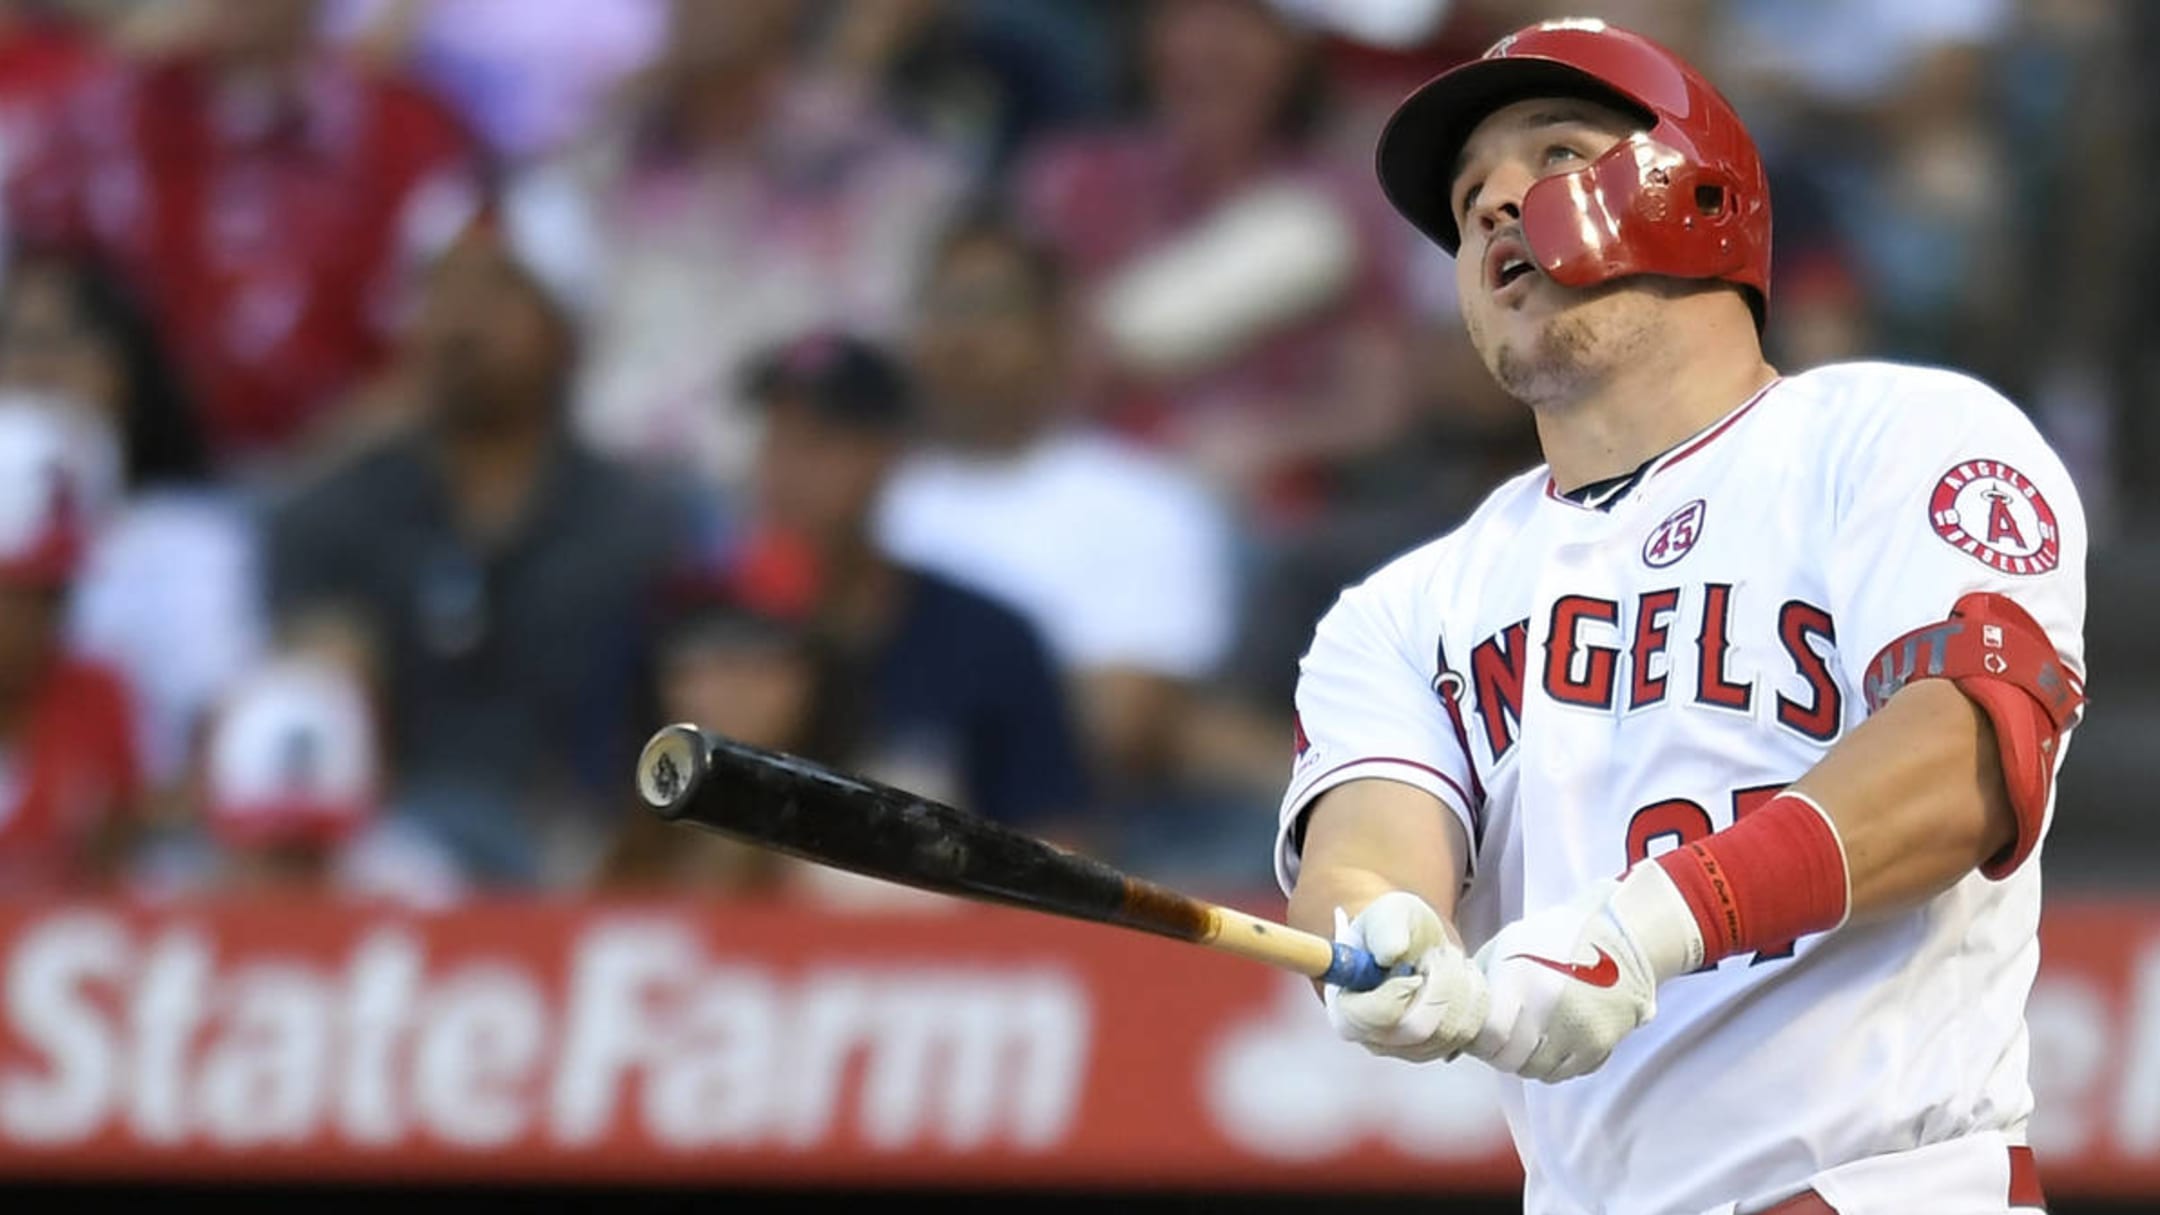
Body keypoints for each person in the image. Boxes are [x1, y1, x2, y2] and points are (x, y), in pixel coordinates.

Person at [1277, 19, 2081, 1214]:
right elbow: (1365, 847)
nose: (1498, 206)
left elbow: (1968, 764)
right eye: (1468, 199)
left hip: (1883, 1188)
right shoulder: (1404, 609)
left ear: (1700, 187)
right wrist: (1383, 935)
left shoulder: (1895, 437)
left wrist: (1648, 925)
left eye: (1553, 156)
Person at [264, 193, 691, 887]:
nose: (461, 321)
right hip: (380, 857)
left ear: (565, 328)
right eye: (441, 289)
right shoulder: (335, 508)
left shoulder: (640, 521)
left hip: (590, 849)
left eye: (500, 290)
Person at [8, 0, 479, 468]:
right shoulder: (105, 115)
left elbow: (455, 345)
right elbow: (34, 298)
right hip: (137, 485)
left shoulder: (405, 130)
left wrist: (312, 476)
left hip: (349, 485)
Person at [877, 211, 1237, 791]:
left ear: (1056, 330)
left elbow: (1123, 723)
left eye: (990, 306)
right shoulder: (869, 496)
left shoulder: (1147, 504)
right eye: (942, 307)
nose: (961, 336)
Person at [734, 331, 1090, 837]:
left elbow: (1060, 838)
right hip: (736, 911)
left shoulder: (986, 639)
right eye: (774, 442)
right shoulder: (695, 626)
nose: (786, 474)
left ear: (889, 457)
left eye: (818, 446)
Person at [0, 250, 264, 794]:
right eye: (13, 345)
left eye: (53, 345)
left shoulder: (192, 541)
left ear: (118, 367)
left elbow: (221, 731)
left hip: (145, 838)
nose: (31, 371)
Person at [0, 397, 141, 894]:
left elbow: (115, 885)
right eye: (21, 593)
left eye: (57, 594)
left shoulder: (98, 697)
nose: (46, 619)